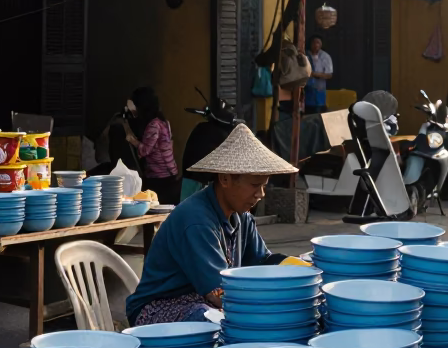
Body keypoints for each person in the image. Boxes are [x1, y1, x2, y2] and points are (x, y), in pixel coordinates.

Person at [125, 124, 297, 326]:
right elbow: (221, 293)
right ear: (225, 179)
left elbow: (261, 261)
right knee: (216, 319)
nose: (261, 194)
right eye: (254, 185)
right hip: (156, 308)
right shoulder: (196, 220)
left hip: (201, 299)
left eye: (264, 186)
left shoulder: (242, 217)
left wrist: (300, 269)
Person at [123, 89, 180, 205]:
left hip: (159, 176)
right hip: (170, 173)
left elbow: (145, 150)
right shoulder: (164, 122)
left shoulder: (153, 125)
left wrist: (132, 140)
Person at [305, 35, 333, 113]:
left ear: (321, 44)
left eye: (318, 42)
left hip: (319, 91)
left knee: (318, 114)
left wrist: (314, 74)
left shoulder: (326, 57)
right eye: (314, 42)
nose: (316, 45)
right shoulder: (305, 55)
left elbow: (329, 75)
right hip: (306, 91)